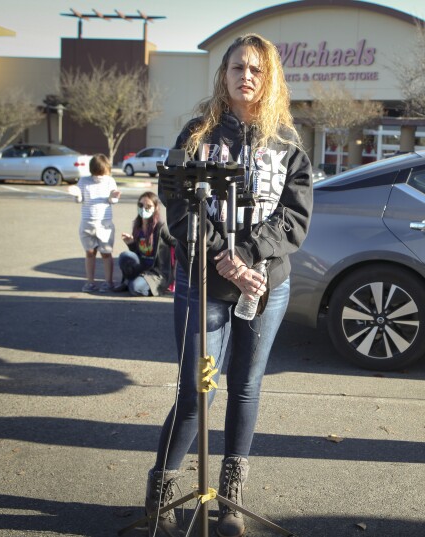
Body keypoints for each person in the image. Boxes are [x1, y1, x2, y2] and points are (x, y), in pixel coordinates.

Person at [143, 33, 312, 537]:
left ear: (270, 78)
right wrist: (224, 256)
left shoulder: (286, 141)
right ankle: (162, 494)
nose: (247, 76)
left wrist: (247, 255)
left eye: (257, 70)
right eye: (238, 67)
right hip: (202, 281)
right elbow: (177, 206)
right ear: (224, 75)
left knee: (245, 388)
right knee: (198, 391)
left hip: (264, 284)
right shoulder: (199, 133)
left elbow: (295, 217)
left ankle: (230, 499)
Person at [70, 153, 121, 292]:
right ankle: (90, 282)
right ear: (92, 171)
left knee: (106, 253)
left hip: (104, 224)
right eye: (98, 174)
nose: (100, 177)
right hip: (87, 224)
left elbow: (113, 201)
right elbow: (79, 200)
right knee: (90, 253)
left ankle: (109, 282)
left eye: (103, 174)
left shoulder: (110, 181)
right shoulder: (84, 181)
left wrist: (113, 197)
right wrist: (77, 195)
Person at [115, 191, 177, 296]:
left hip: (157, 272)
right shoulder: (137, 225)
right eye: (141, 205)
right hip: (142, 266)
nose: (144, 208)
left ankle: (150, 286)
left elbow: (176, 244)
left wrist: (175, 271)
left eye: (148, 206)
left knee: (135, 288)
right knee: (124, 256)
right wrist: (131, 243)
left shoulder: (161, 227)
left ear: (156, 208)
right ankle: (133, 281)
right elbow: (138, 252)